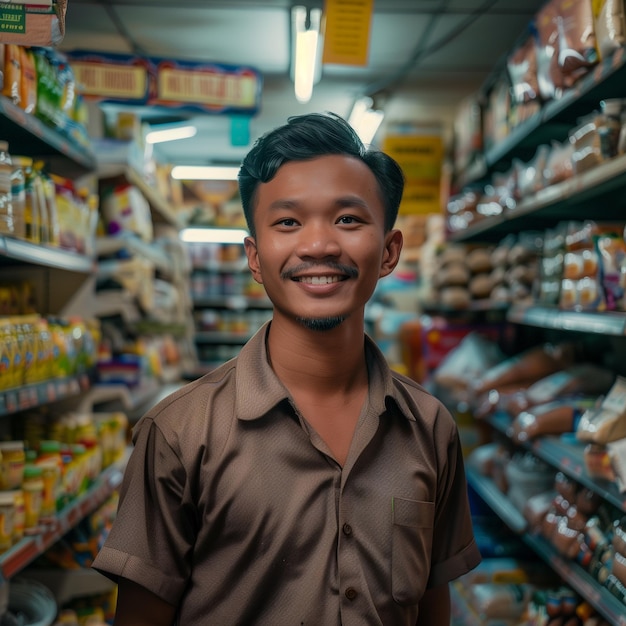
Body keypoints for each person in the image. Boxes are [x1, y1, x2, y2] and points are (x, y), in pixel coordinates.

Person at [92, 112, 481, 625]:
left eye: (348, 219)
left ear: (388, 251)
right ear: (255, 258)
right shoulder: (180, 434)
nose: (318, 245)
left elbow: (432, 609)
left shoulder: (431, 429)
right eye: (288, 222)